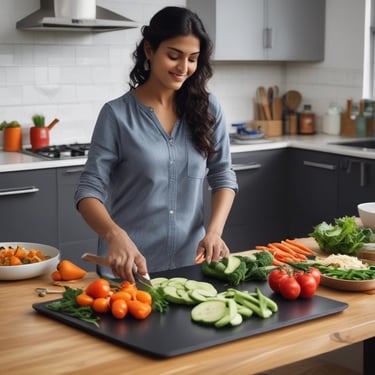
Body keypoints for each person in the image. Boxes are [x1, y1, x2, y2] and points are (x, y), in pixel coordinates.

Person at [74, 6, 238, 282]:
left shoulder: (209, 109)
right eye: (174, 56)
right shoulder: (116, 115)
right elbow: (88, 191)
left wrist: (214, 232)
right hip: (129, 271)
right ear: (149, 51)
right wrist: (115, 234)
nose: (183, 68)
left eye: (192, 59)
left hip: (189, 269)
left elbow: (223, 176)